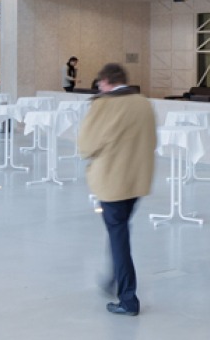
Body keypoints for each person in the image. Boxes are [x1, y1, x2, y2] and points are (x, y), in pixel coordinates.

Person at [76, 63, 156, 318]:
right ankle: (112, 278)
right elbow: (152, 140)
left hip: (112, 182)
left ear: (108, 81)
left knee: (119, 236)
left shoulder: (103, 105)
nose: (98, 86)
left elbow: (85, 146)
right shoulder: (143, 102)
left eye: (100, 82)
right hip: (137, 180)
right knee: (119, 229)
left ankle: (128, 299)